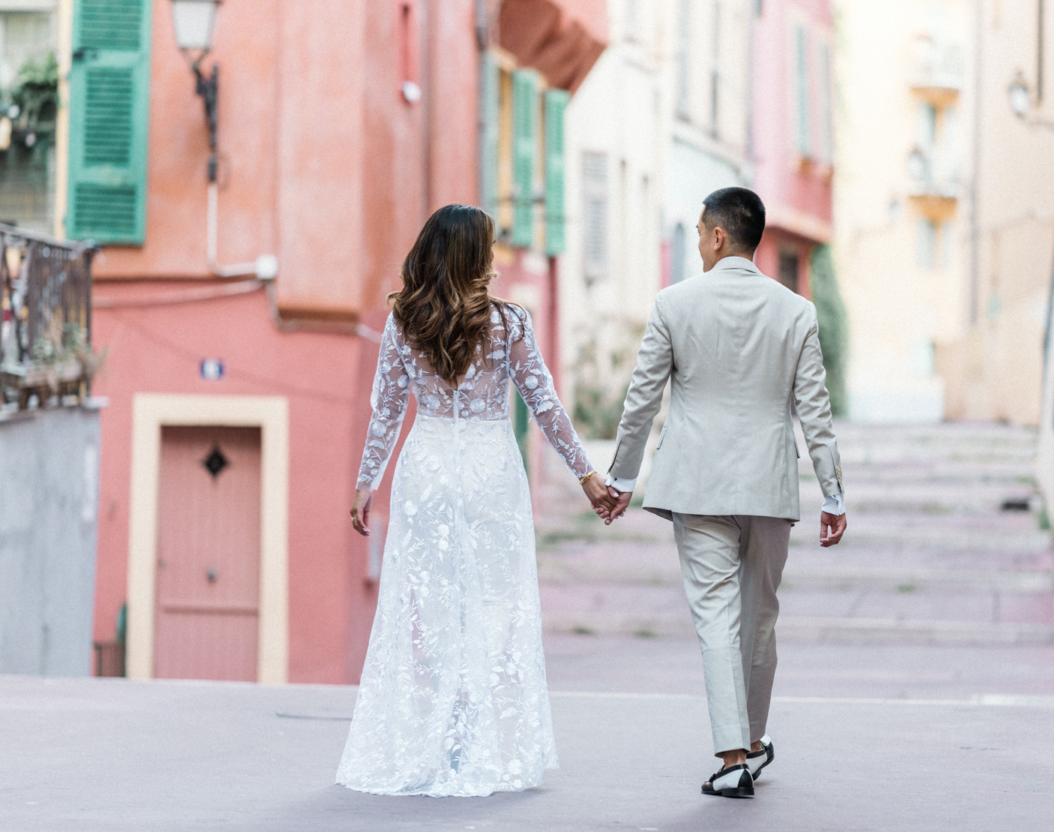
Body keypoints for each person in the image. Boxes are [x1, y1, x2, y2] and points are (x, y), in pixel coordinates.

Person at [337, 205, 615, 797]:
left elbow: (386, 411)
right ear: (474, 256)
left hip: (429, 471)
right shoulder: (509, 324)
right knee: (493, 607)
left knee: (434, 612)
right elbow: (544, 404)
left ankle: (439, 744)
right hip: (490, 471)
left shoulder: (402, 322)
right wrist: (587, 475)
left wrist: (367, 482)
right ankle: (480, 746)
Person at [600, 186, 845, 799]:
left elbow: (642, 398)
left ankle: (736, 756)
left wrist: (622, 478)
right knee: (760, 619)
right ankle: (752, 744)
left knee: (717, 618)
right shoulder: (796, 312)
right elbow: (815, 410)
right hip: (769, 484)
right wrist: (834, 495)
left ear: (715, 236)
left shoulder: (673, 304)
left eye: (701, 233)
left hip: (698, 484)